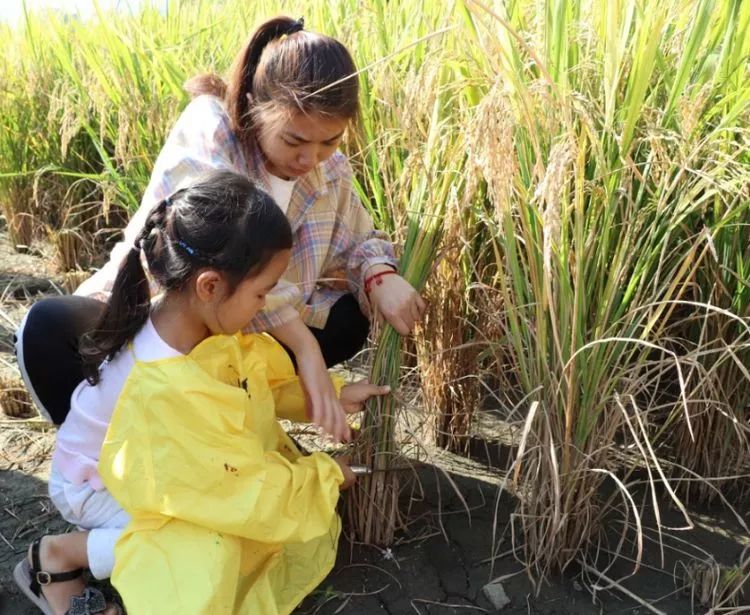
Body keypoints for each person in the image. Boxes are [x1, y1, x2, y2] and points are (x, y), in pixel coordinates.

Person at [14, 15, 425, 442]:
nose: (311, 159)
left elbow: (360, 242)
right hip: (165, 321)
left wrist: (381, 277)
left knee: (346, 317)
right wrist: (305, 350)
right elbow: (221, 254)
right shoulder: (211, 129)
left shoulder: (330, 172)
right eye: (293, 141)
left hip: (244, 337)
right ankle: (108, 456)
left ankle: (221, 426)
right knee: (50, 329)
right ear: (253, 106)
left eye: (330, 141)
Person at [13, 170, 390, 615]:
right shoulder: (165, 380)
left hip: (150, 456)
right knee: (212, 542)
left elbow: (248, 384)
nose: (267, 306)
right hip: (95, 484)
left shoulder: (192, 319)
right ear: (210, 285)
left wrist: (331, 394)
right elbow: (230, 488)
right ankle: (59, 556)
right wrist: (325, 477)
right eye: (262, 292)